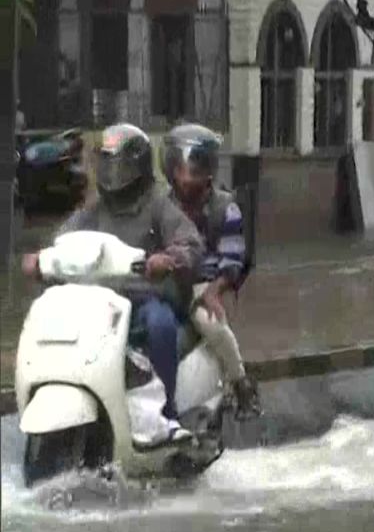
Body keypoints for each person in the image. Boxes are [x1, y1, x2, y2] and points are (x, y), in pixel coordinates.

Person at [20, 123, 204, 443]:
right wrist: (42, 258)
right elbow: (64, 238)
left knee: (160, 325)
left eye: (120, 164)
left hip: (147, 300)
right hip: (101, 302)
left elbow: (190, 243)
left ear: (140, 165)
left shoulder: (158, 205)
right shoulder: (95, 210)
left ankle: (168, 414)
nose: (112, 172)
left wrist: (169, 258)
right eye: (106, 162)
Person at [162, 123, 261, 419]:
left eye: (193, 170)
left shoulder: (224, 208)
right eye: (179, 169)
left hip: (204, 283)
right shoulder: (162, 205)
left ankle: (242, 383)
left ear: (207, 171)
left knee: (211, 323)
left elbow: (232, 258)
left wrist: (214, 291)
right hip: (166, 282)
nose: (185, 177)